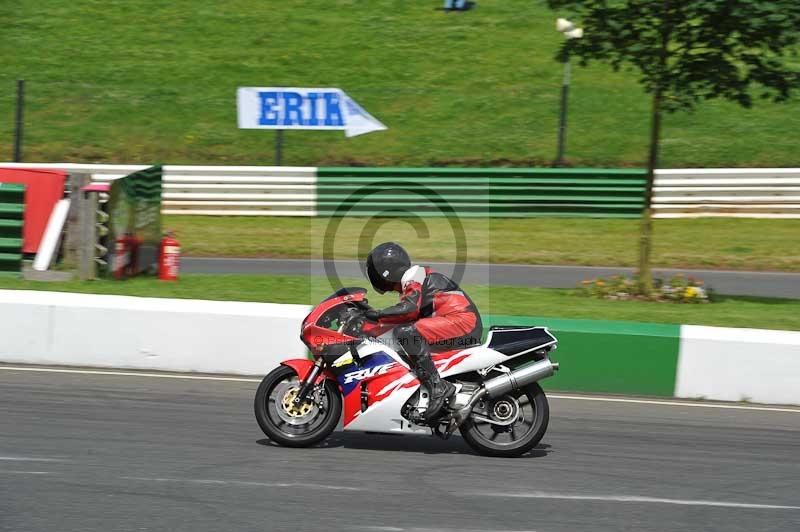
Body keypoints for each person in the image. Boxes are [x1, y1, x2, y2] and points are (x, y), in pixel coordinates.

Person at [363, 242, 483, 422]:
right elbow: (403, 315)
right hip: (457, 322)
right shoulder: (412, 282)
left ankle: (438, 388)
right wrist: (368, 325)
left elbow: (408, 309)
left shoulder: (414, 275)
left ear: (386, 270)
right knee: (402, 332)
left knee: (406, 332)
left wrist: (377, 314)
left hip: (462, 321)